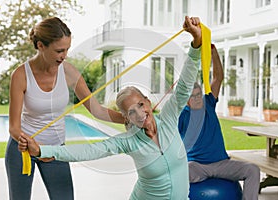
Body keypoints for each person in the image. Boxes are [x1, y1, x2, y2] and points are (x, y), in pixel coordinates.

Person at [18, 16, 202, 200]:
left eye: (140, 104)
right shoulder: (129, 141)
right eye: (131, 112)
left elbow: (184, 86)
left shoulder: (168, 119)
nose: (140, 113)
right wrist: (43, 151)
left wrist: (196, 44)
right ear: (126, 118)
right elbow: (89, 151)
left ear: (148, 102)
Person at [5, 17, 125, 200]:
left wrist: (129, 118)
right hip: (22, 150)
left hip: (55, 150)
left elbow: (97, 110)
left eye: (67, 49)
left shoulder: (68, 72)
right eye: (59, 50)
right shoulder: (21, 75)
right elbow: (14, 127)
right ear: (40, 46)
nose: (65, 55)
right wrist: (28, 144)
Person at [178, 45, 260, 200]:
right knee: (176, 175)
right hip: (196, 166)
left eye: (198, 94)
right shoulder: (181, 115)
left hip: (222, 163)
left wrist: (214, 54)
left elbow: (218, 78)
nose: (197, 98)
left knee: (253, 170)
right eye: (192, 96)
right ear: (185, 100)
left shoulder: (208, 103)